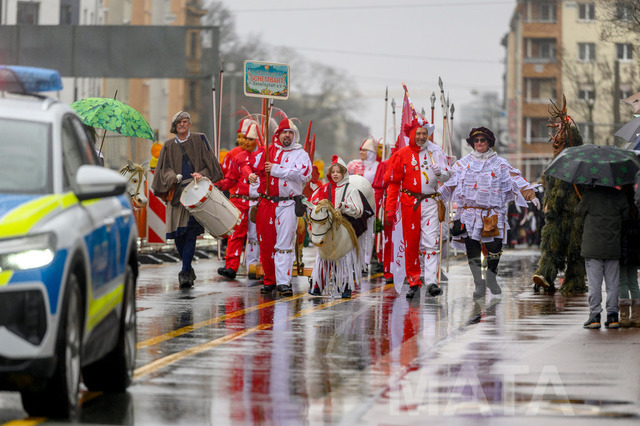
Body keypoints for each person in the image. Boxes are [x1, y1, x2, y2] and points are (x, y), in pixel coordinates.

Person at [441, 126, 540, 299]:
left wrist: (531, 195)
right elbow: (448, 183)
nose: (479, 143)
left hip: (493, 214)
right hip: (469, 214)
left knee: (495, 247)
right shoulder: (463, 163)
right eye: (476, 140)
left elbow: (516, 180)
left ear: (489, 143)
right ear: (472, 143)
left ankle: (491, 276)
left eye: (483, 140)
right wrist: (433, 196)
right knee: (472, 249)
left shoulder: (500, 163)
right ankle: (479, 285)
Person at [151, 111, 223, 288]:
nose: (182, 124)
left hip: (196, 193)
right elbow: (162, 170)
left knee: (190, 232)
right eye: (179, 122)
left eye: (185, 121)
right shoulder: (168, 145)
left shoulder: (200, 139)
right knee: (178, 234)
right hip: (176, 194)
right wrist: (172, 178)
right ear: (174, 127)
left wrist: (201, 174)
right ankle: (188, 268)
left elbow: (211, 165)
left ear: (189, 124)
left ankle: (184, 272)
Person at [384, 118, 451, 300]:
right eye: (418, 133)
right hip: (409, 203)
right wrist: (390, 209)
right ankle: (414, 281)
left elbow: (447, 177)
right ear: (412, 134)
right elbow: (393, 183)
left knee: (431, 242)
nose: (422, 137)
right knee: (411, 244)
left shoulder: (436, 152)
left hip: (431, 202)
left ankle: (431, 282)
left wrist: (441, 174)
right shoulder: (402, 154)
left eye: (424, 133)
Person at [248, 117, 312, 296]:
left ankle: (283, 282)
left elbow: (304, 174)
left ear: (295, 136)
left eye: (291, 133)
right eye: (284, 132)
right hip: (266, 202)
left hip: (288, 203)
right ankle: (269, 280)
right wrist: (250, 176)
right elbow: (250, 165)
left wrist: (277, 170)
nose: (287, 135)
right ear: (278, 134)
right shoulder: (267, 151)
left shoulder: (301, 154)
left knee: (284, 243)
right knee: (266, 243)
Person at [532, 100, 586, 294]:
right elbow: (551, 192)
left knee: (574, 252)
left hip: (574, 216)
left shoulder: (577, 165)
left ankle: (574, 282)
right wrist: (548, 206)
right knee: (551, 247)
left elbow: (562, 193)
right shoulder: (554, 165)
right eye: (556, 139)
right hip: (556, 216)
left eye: (561, 141)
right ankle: (545, 275)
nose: (555, 143)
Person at [309, 156, 370, 298]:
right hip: (326, 228)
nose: (335, 174)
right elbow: (314, 201)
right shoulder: (324, 188)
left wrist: (345, 207)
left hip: (344, 227)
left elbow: (358, 210)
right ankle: (318, 284)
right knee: (323, 255)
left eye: (338, 172)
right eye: (333, 172)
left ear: (344, 173)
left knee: (344, 256)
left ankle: (345, 285)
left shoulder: (351, 189)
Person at [215, 120, 262, 280]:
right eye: (244, 137)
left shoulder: (265, 155)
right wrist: (217, 185)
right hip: (239, 201)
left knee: (256, 236)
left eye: (250, 139)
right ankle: (231, 267)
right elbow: (230, 179)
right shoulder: (236, 156)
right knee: (235, 234)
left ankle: (254, 267)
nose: (245, 142)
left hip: (257, 202)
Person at [579, 185, 628, 329]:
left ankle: (595, 316)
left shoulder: (589, 194)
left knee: (594, 284)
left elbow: (579, 212)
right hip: (613, 245)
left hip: (592, 247)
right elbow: (625, 216)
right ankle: (613, 316)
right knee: (613, 284)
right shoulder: (619, 196)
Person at [618, 184, 640, 327]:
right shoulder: (636, 209)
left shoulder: (620, 209)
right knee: (634, 282)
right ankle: (637, 316)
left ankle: (624, 316)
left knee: (623, 282)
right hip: (635, 251)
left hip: (622, 249)